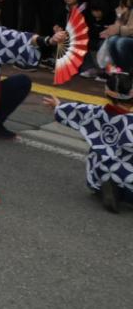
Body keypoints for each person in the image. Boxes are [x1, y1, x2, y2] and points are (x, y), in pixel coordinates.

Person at [46, 71, 133, 213]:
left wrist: (58, 106)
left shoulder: (95, 112)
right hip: (127, 176)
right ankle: (120, 192)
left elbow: (73, 111)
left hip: (98, 175)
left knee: (101, 178)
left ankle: (107, 189)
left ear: (106, 93)